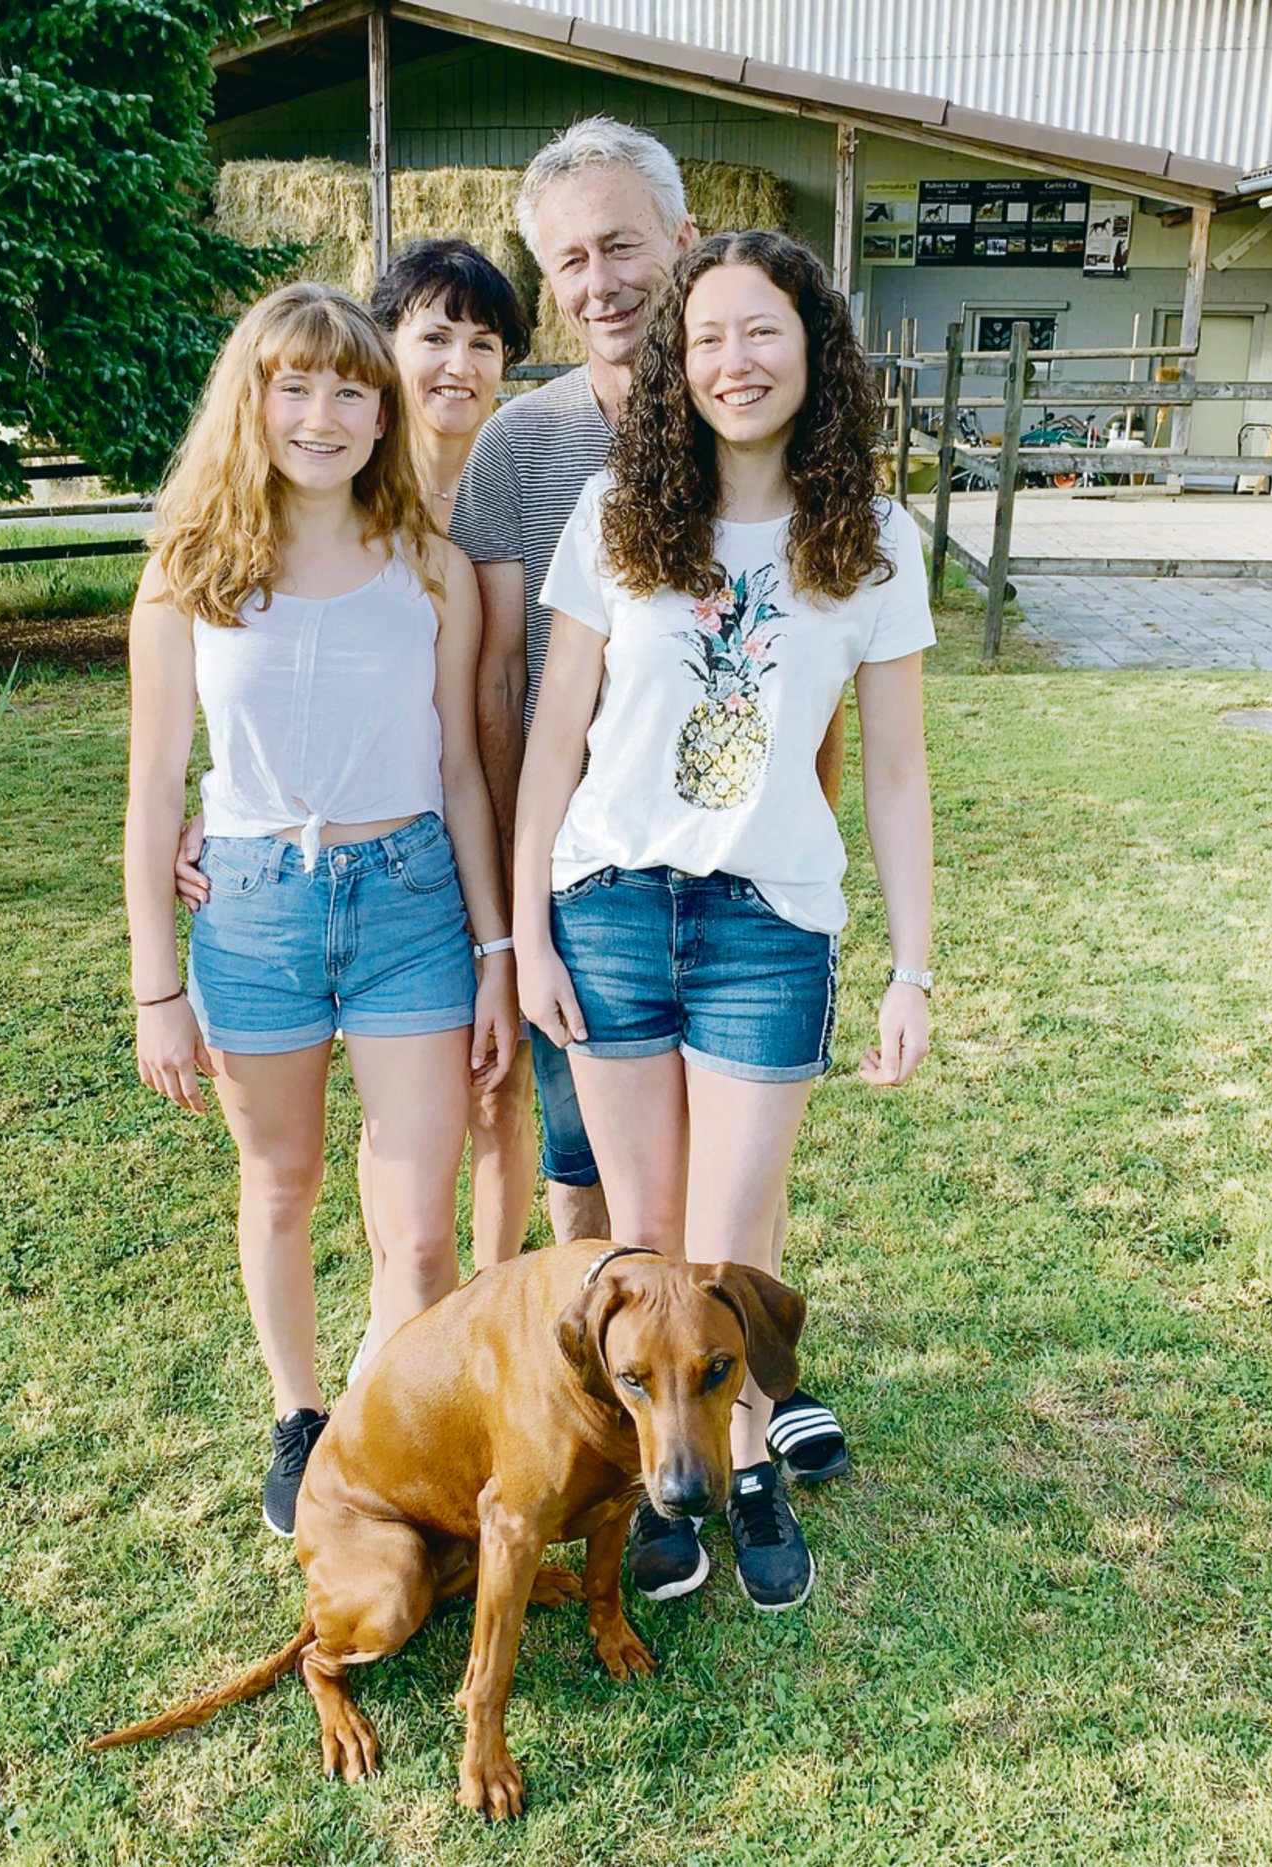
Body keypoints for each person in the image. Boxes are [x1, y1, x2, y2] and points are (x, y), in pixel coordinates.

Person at [513, 231, 935, 1610]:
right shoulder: (611, 516)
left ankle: (747, 1465)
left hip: (769, 925)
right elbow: (555, 735)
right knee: (644, 1237)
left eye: (761, 332)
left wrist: (911, 968)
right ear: (675, 364)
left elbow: (894, 770)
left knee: (732, 1244)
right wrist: (527, 930)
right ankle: (662, 1481)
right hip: (609, 907)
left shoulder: (872, 539)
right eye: (705, 338)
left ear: (814, 349)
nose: (733, 361)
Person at [452, 114, 852, 1486]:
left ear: (684, 241)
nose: (599, 281)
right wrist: (522, 916)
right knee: (592, 1170)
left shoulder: (774, 417)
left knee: (738, 1160)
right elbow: (506, 689)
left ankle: (749, 1382)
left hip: (738, 871)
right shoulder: (523, 451)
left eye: (621, 245)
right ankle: (618, 1410)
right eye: (568, 260)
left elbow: (814, 698)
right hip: (587, 878)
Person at [125, 282, 517, 1536]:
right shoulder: (187, 575)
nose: (322, 415)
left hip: (410, 905)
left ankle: (398, 1417)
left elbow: (459, 770)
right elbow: (152, 793)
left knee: (417, 1227)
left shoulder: (430, 571)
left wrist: (496, 950)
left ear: (381, 413)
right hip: (251, 909)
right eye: (293, 386)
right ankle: (300, 1415)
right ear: (250, 402)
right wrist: (156, 987)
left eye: (350, 390)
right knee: (282, 1180)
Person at [178, 242, 540, 1337]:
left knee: (490, 1108)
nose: (459, 363)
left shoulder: (507, 474)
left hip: (475, 832)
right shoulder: (278, 500)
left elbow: (466, 726)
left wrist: (498, 930)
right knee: (342, 1167)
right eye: (434, 336)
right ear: (389, 353)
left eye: (485, 342)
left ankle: (469, 1337)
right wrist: (225, 809)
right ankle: (387, 1364)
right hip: (296, 875)